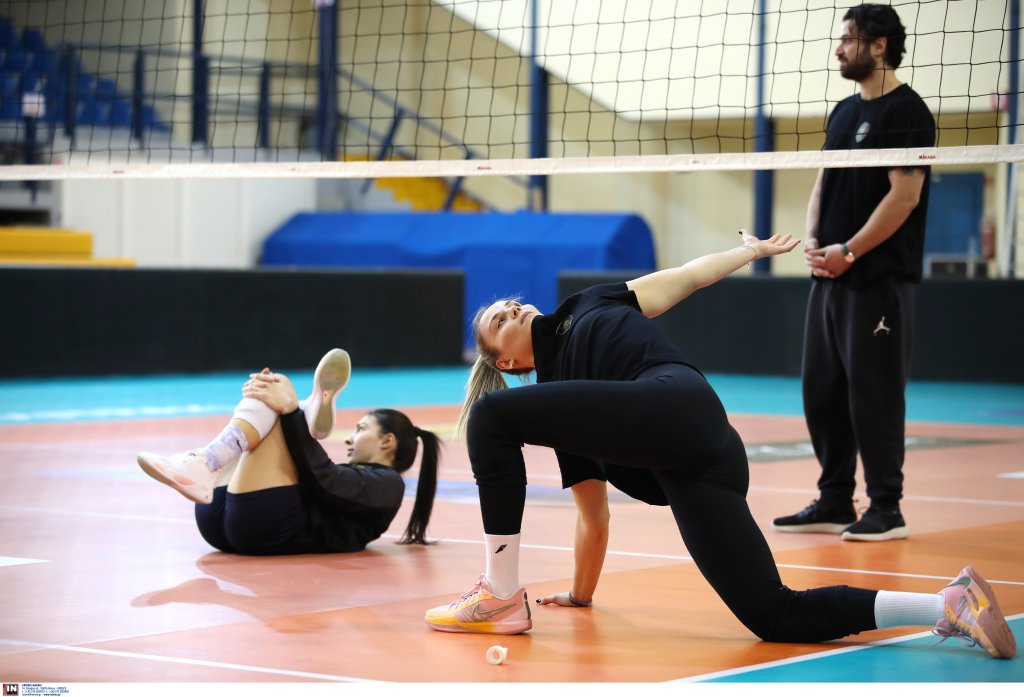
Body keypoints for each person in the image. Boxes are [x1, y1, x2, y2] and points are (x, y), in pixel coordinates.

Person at [422, 232, 1015, 660]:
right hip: (701, 464)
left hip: (676, 400)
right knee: (773, 615)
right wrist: (580, 595)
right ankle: (948, 605)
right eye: (497, 322)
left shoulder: (590, 304)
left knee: (490, 416)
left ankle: (500, 594)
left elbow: (687, 277)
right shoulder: (561, 412)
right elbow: (593, 518)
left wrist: (749, 253)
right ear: (507, 362)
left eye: (506, 306)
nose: (508, 309)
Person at [772, 4, 936, 543]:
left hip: (878, 280)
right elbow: (823, 180)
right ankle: (835, 499)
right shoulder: (843, 112)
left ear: (879, 45)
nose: (839, 48)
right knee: (821, 390)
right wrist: (814, 240)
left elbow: (904, 196)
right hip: (830, 276)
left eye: (848, 38)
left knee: (875, 394)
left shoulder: (908, 112)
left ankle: (887, 508)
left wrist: (850, 249)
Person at [137, 348, 441, 554]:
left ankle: (303, 411)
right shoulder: (368, 479)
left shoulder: (389, 484)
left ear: (387, 441)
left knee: (277, 410)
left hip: (263, 527)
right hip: (224, 519)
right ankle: (207, 463)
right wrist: (280, 404)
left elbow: (324, 480)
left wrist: (290, 410)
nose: (349, 438)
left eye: (361, 429)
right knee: (272, 392)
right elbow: (317, 476)